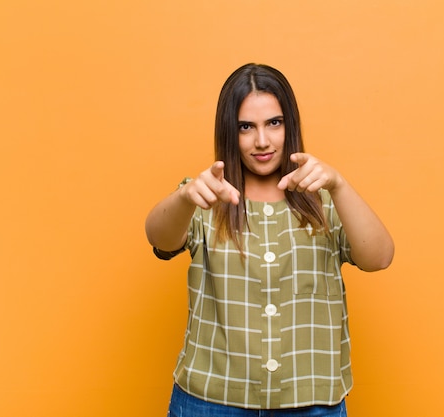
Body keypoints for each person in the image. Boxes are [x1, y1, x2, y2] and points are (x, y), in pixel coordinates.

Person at [145, 63, 394, 417]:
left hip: (311, 403)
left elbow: (379, 257)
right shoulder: (206, 196)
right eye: (246, 127)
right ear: (230, 133)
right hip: (210, 402)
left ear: (289, 124)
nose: (262, 141)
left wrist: (338, 184)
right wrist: (185, 197)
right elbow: (159, 238)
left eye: (273, 123)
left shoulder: (324, 201)